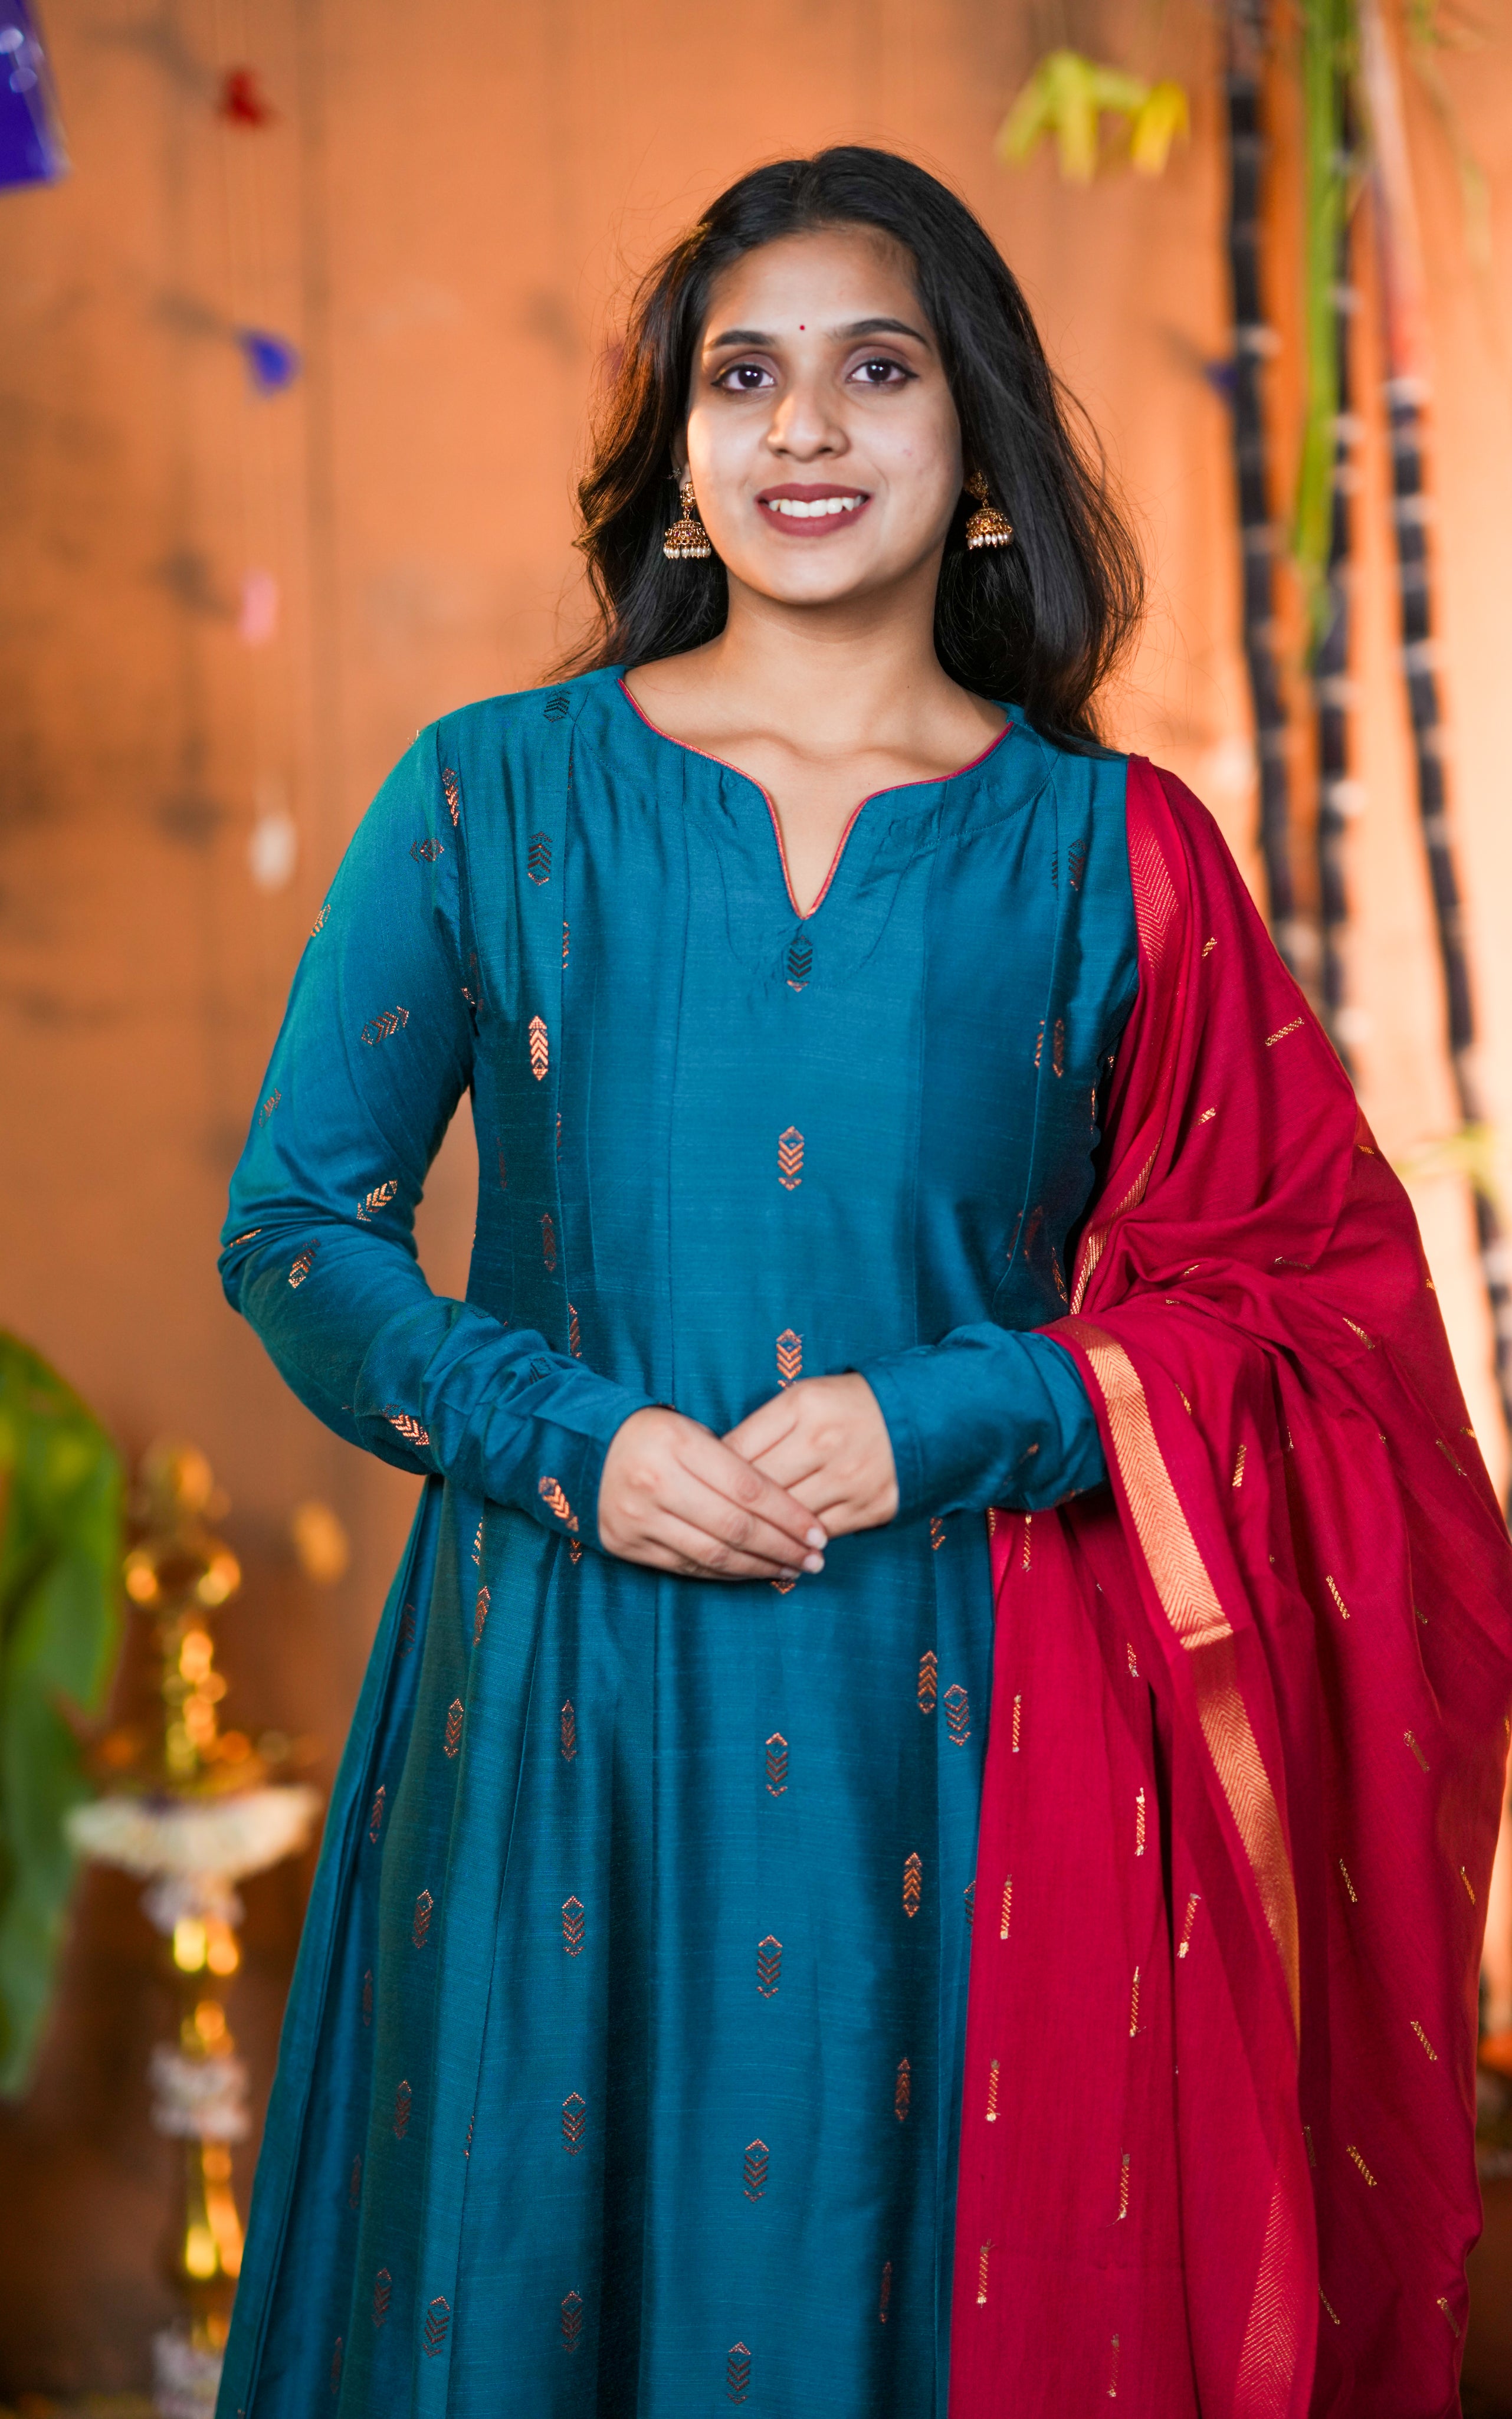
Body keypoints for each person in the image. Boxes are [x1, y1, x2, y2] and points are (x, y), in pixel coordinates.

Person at [215, 148, 1512, 2419]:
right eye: (745, 376)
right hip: (557, 1680)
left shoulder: (1121, 854)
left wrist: (962, 1410)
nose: (804, 424)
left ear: (982, 455)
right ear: (686, 469)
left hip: (974, 1730)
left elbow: (1312, 1311)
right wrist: (569, 1437)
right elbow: (296, 1230)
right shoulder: (492, 797)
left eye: (874, 368)